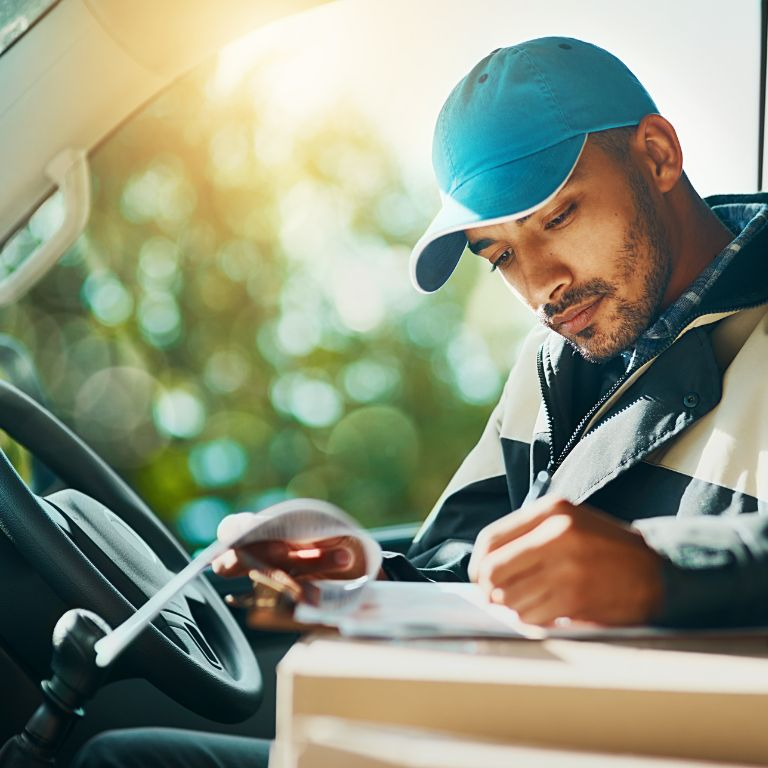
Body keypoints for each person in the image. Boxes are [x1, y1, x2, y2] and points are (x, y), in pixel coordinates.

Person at [72, 35, 768, 768]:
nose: (539, 288)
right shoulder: (553, 362)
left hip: (664, 749)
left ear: (657, 155)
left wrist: (664, 571)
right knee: (121, 757)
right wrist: (361, 578)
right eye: (498, 254)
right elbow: (459, 569)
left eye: (556, 218)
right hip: (500, 733)